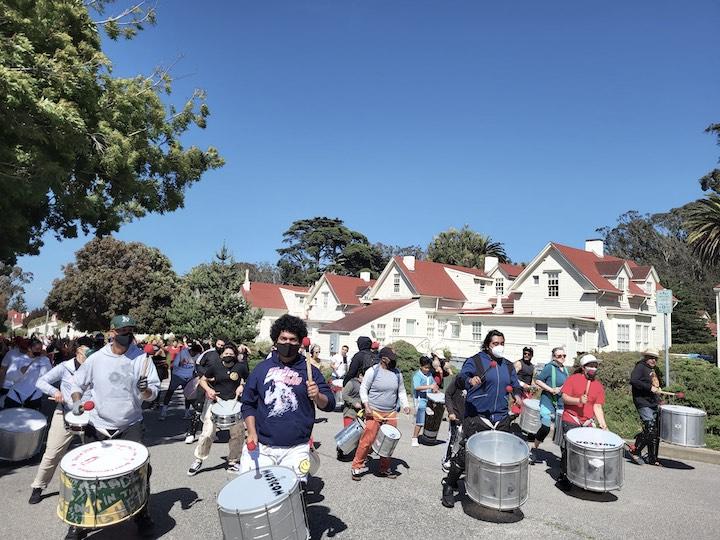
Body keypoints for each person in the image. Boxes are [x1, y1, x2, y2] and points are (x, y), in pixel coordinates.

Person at [68, 314, 161, 540]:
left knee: (140, 472)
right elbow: (76, 383)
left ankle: (141, 515)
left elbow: (152, 395)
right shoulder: (97, 358)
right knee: (89, 476)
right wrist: (78, 401)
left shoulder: (142, 358)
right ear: (112, 332)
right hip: (99, 424)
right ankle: (80, 522)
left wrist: (145, 390)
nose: (127, 335)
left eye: (130, 331)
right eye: (122, 331)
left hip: (130, 423)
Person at [239, 315, 335, 486]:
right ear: (276, 340)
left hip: (296, 448)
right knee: (254, 492)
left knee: (291, 497)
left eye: (293, 339)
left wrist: (317, 395)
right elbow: (248, 404)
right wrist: (252, 432)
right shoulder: (262, 369)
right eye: (283, 339)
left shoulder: (310, 371)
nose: (288, 343)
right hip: (263, 447)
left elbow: (330, 404)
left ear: (300, 343)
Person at [441, 330, 524, 508]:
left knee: (499, 456)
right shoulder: (476, 361)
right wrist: (470, 380)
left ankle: (491, 490)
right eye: (495, 343)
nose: (499, 346)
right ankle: (448, 485)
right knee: (467, 455)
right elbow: (462, 377)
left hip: (501, 417)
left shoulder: (508, 366)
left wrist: (517, 395)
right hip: (477, 415)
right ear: (487, 345)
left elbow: (516, 386)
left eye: (502, 343)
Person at [28, 345, 92, 504]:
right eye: (85, 354)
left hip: (89, 415)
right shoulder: (64, 367)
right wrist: (55, 392)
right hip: (64, 412)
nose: (88, 358)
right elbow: (41, 382)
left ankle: (93, 487)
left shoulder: (94, 366)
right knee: (52, 453)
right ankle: (38, 486)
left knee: (92, 453)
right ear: (77, 353)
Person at [187, 343, 249, 475]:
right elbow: (202, 380)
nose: (228, 356)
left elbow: (247, 380)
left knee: (238, 435)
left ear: (235, 355)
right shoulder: (215, 367)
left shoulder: (241, 367)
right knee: (208, 433)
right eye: (226, 354)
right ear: (222, 355)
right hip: (216, 403)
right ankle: (199, 459)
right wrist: (209, 390)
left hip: (234, 404)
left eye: (231, 354)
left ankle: (233, 461)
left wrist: (242, 385)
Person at [351, 347, 410, 480]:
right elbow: (363, 388)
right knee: (367, 440)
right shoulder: (373, 371)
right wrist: (366, 405)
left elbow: (401, 391)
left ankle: (384, 468)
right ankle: (356, 466)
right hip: (374, 412)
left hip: (390, 413)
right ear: (384, 359)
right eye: (392, 359)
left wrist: (405, 405)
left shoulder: (397, 373)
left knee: (388, 441)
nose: (395, 361)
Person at [557, 354, 608, 491]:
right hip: (571, 418)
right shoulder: (573, 379)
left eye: (595, 366)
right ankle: (564, 476)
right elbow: (565, 398)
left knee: (589, 451)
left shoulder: (598, 386)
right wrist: (578, 400)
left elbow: (597, 406)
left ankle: (585, 478)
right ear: (583, 367)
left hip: (587, 422)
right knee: (570, 450)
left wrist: (603, 425)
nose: (593, 369)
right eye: (590, 366)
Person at [531, 346, 569, 464]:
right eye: (559, 356)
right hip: (548, 401)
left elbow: (567, 384)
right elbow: (538, 380)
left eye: (564, 356)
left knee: (562, 432)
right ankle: (534, 449)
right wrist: (551, 389)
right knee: (546, 427)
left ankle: (565, 458)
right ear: (554, 357)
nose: (562, 358)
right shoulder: (549, 367)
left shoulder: (565, 369)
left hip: (560, 403)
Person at [184, 338, 225, 444]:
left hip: (218, 386)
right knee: (199, 408)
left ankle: (212, 433)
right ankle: (191, 433)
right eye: (218, 344)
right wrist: (206, 377)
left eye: (222, 345)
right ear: (215, 343)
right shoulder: (208, 353)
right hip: (204, 383)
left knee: (215, 410)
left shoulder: (227, 355)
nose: (220, 346)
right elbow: (198, 365)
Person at [629, 348, 662, 466]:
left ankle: (652, 458)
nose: (654, 360)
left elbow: (655, 385)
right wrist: (649, 388)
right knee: (651, 428)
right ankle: (635, 450)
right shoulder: (640, 367)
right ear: (646, 357)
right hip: (643, 402)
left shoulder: (653, 370)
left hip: (653, 402)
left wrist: (658, 395)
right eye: (651, 358)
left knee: (655, 431)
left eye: (655, 358)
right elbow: (634, 380)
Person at [2, 338, 52, 410]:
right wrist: (20, 372)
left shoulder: (44, 360)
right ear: (29, 348)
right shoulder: (19, 360)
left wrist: (45, 361)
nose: (39, 351)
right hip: (15, 395)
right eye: (37, 349)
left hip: (34, 396)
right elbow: (9, 377)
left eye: (41, 349)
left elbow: (48, 376)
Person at [160, 342, 200, 420]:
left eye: (196, 354)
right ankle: (163, 412)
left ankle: (187, 413)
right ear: (191, 351)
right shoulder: (182, 353)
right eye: (193, 353)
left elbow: (196, 366)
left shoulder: (197, 355)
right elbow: (174, 364)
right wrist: (180, 363)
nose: (194, 355)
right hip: (178, 376)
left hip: (188, 377)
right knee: (170, 392)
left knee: (188, 395)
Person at [411, 356, 438, 446]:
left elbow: (433, 383)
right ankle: (414, 438)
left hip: (429, 399)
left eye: (428, 368)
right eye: (425, 367)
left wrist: (435, 387)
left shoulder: (429, 374)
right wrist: (429, 387)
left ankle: (425, 437)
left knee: (429, 419)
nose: (427, 369)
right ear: (421, 366)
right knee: (420, 420)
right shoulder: (417, 376)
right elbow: (417, 387)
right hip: (420, 400)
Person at [442, 372, 466, 472]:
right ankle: (447, 459)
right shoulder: (459, 379)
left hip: (467, 418)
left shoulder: (478, 382)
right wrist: (451, 412)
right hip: (455, 415)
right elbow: (447, 395)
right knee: (453, 438)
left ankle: (458, 461)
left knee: (463, 440)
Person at [338, 370, 363, 459]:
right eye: (364, 377)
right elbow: (344, 395)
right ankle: (340, 450)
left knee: (359, 434)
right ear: (360, 375)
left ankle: (358, 455)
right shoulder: (352, 383)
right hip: (349, 412)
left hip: (359, 414)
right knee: (348, 434)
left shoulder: (366, 385)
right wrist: (354, 402)